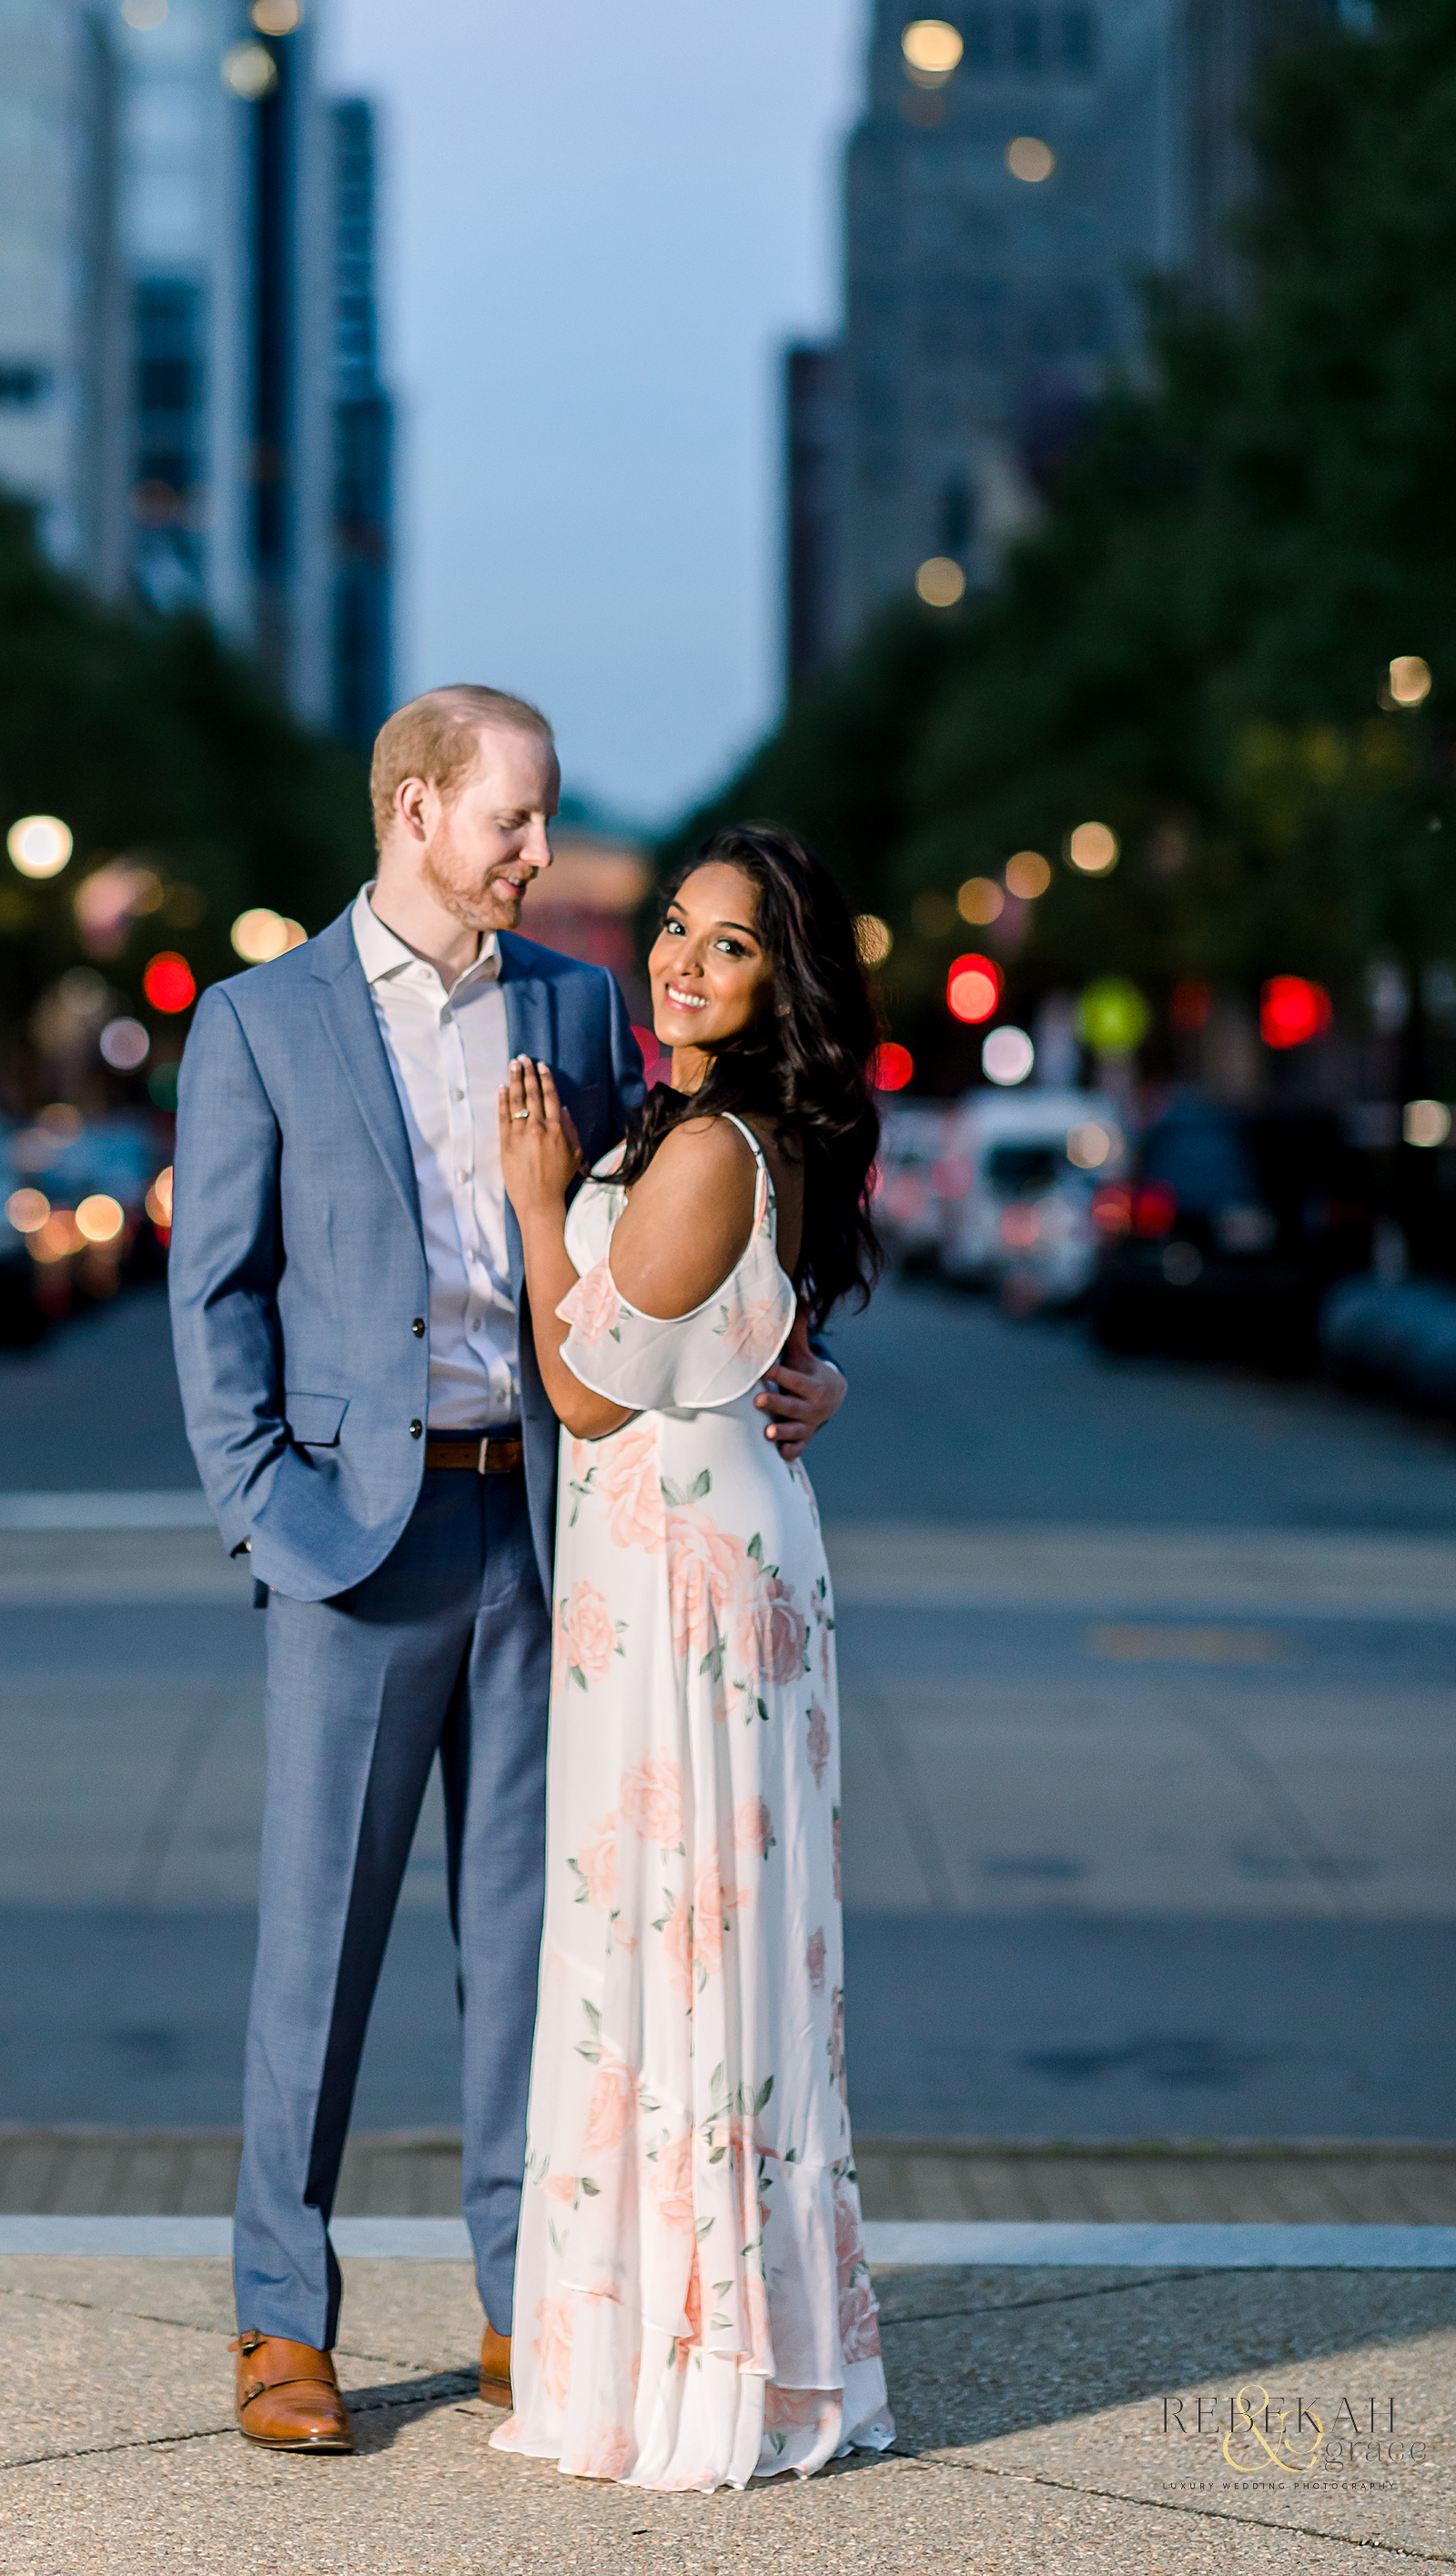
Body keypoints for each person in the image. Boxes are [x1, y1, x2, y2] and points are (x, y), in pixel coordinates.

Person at [167, 692, 848, 2457]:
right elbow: (214, 1293)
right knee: (318, 1940)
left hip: (557, 1531)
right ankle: (278, 2321)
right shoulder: (259, 1023)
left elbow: (691, 1227)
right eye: (516, 825)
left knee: (535, 1947)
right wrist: (261, 1505)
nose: (542, 858)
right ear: (416, 810)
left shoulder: (569, 1007)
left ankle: (518, 2297)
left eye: (544, 825)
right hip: (357, 1539)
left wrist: (811, 1360)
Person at [490, 823, 895, 2491]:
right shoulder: (721, 1129)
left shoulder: (720, 1140)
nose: (678, 958)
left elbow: (588, 1388)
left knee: (679, 1945)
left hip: (682, 1590)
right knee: (686, 1945)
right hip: (691, 1557)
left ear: (778, 985)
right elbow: (743, 1341)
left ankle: (694, 2365)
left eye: (726, 945)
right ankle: (713, 2334)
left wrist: (535, 1204)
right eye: (675, 927)